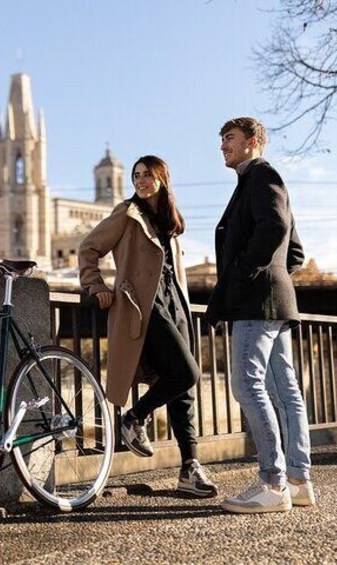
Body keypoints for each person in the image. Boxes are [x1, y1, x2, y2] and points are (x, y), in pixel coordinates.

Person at [79, 155, 217, 498]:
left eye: (147, 175)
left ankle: (190, 467)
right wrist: (96, 287)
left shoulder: (170, 220)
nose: (140, 181)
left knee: (182, 390)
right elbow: (88, 248)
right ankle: (134, 417)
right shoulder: (126, 214)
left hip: (176, 305)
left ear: (162, 178)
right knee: (188, 372)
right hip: (145, 306)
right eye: (136, 175)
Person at [205, 117, 314, 513]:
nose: (222, 146)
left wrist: (245, 273)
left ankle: (272, 483)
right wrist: (272, 277)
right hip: (274, 301)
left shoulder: (261, 176)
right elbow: (295, 252)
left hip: (256, 303)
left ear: (254, 141)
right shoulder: (257, 181)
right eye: (221, 139)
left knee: (246, 386)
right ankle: (298, 479)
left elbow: (275, 226)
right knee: (285, 392)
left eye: (229, 138)